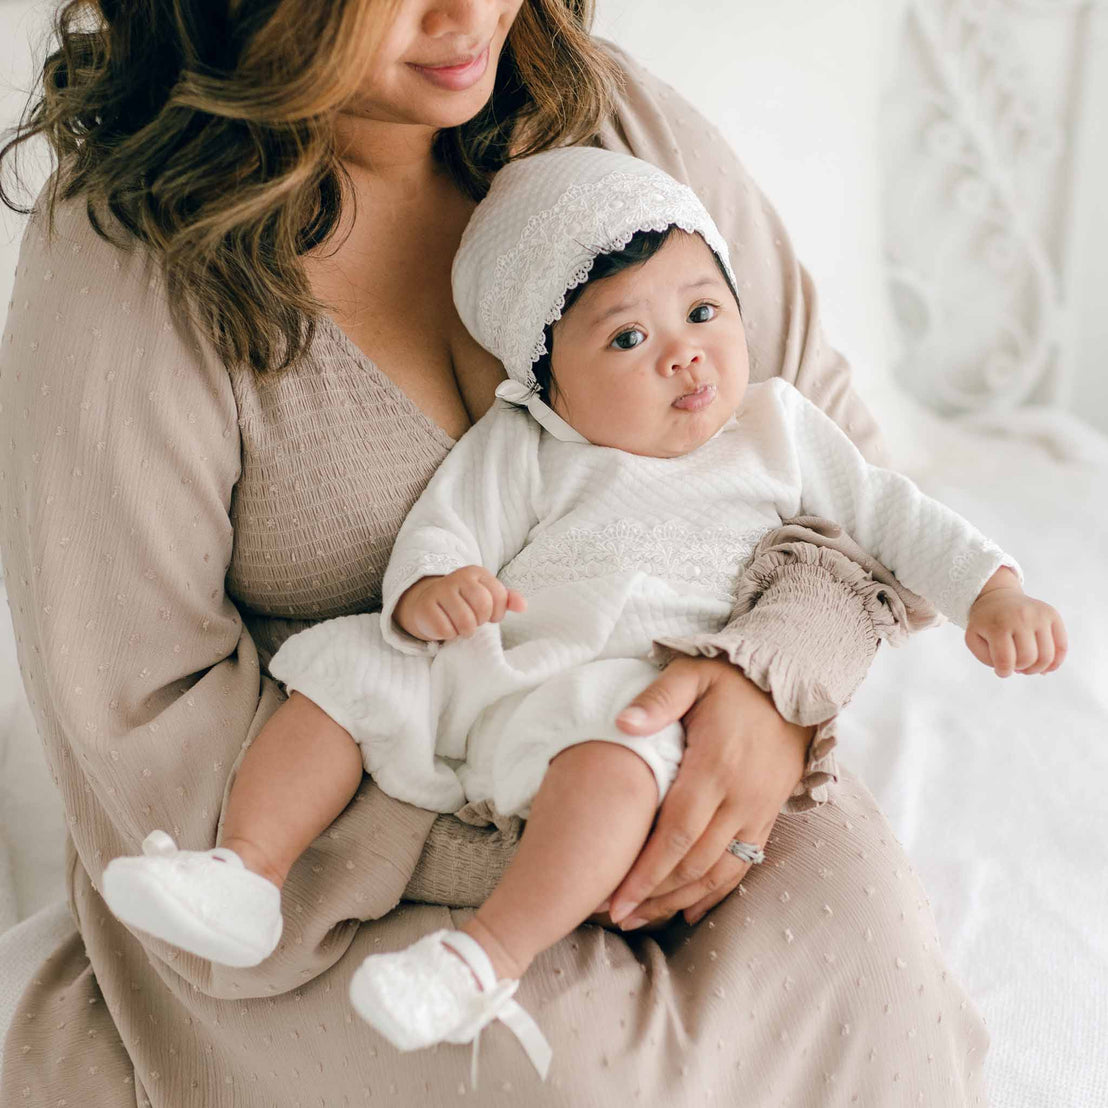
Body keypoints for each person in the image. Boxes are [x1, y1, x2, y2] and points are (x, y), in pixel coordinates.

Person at [0, 1, 1021, 1104]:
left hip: (683, 763)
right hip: (338, 858)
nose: (464, 15)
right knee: (577, 1074)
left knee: (867, 954)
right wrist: (552, 838)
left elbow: (848, 477)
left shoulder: (613, 127)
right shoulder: (132, 258)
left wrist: (768, 689)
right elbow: (140, 717)